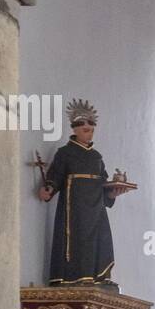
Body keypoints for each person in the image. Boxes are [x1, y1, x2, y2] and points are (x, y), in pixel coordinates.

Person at [38, 99, 130, 287]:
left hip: (96, 208)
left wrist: (113, 192)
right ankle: (76, 277)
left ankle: (98, 276)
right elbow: (56, 175)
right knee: (77, 239)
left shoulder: (97, 157)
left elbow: (104, 183)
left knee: (100, 240)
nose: (89, 135)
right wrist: (49, 188)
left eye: (92, 131)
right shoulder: (65, 153)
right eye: (85, 131)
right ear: (75, 130)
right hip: (75, 208)